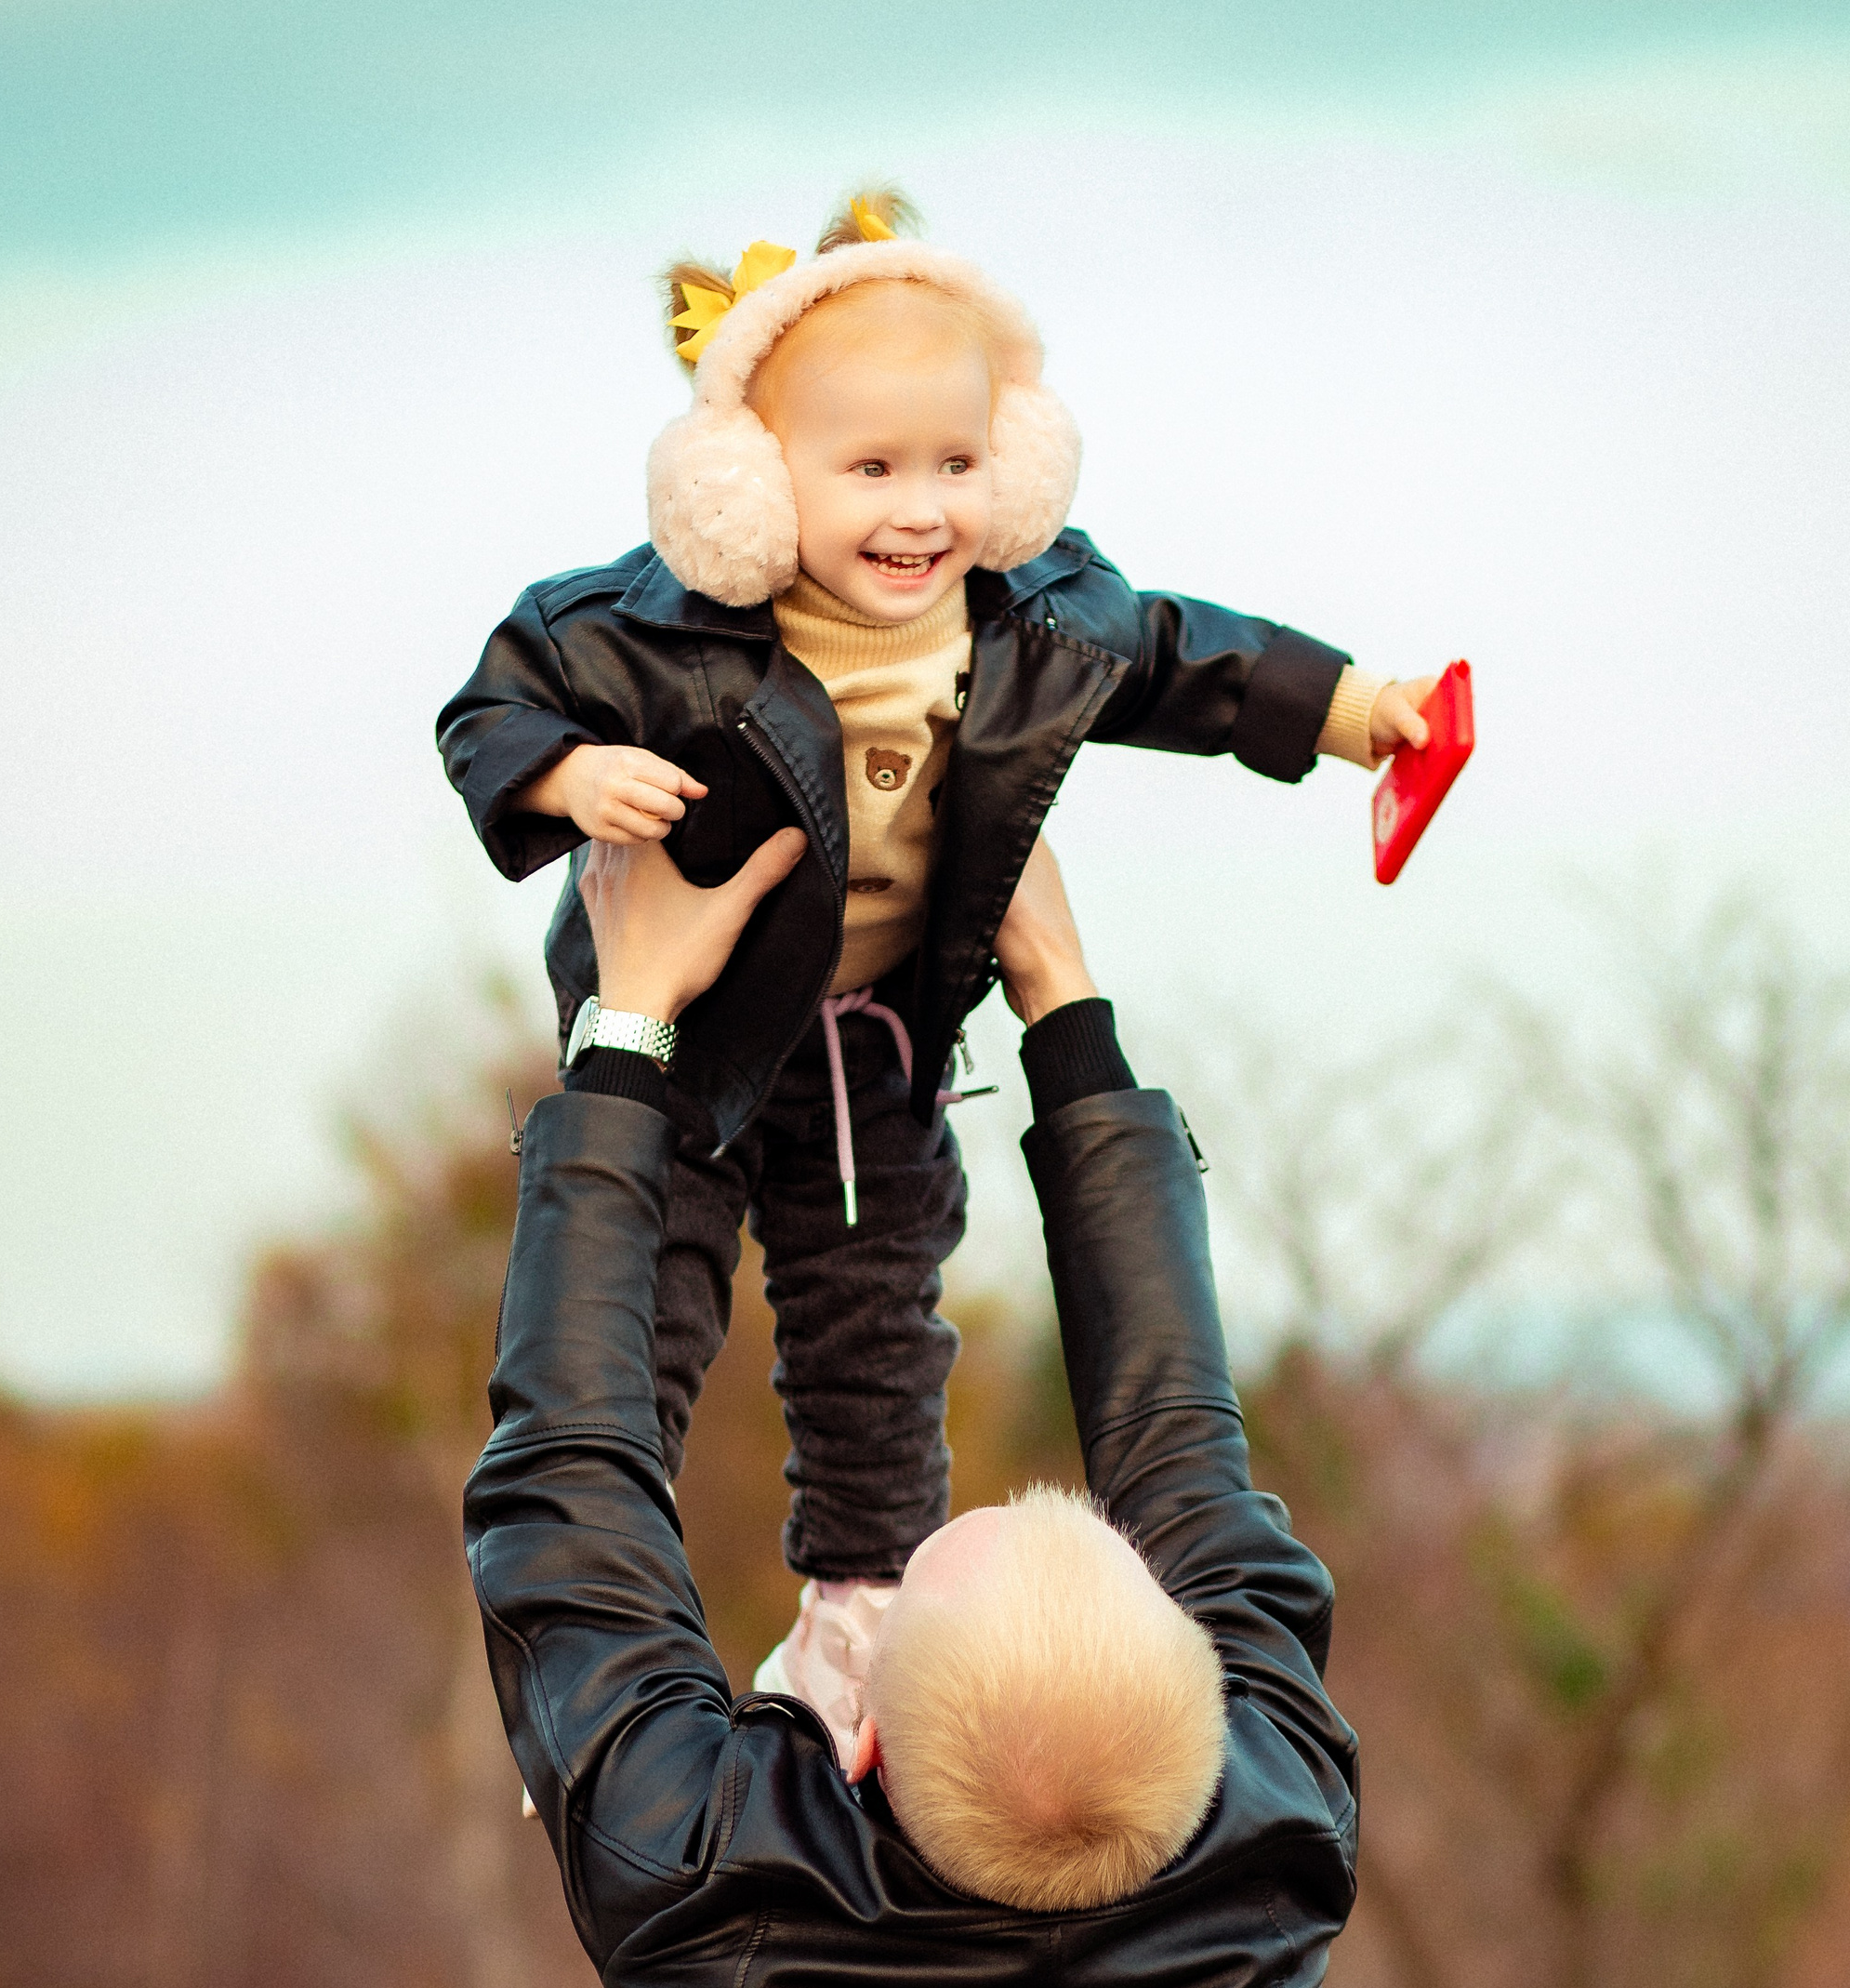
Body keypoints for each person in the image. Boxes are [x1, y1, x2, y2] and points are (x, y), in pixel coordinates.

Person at [438, 187, 1440, 1691]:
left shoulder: (1034, 618)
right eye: (871, 469)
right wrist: (569, 775)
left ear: (1015, 464)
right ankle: (590, 1644)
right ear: (751, 486)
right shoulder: (646, 630)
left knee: (878, 1333)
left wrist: (1363, 713)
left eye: (959, 464)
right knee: (645, 1315)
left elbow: (1187, 660)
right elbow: (487, 707)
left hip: (874, 1042)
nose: (923, 510)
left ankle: (861, 1618)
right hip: (690, 1037)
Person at [468, 823, 1360, 1988]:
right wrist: (1061, 996)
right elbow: (1186, 1452)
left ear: (854, 1740)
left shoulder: (703, 1878)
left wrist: (629, 1032)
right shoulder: (1280, 1845)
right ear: (1205, 1700)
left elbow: (573, 1483)